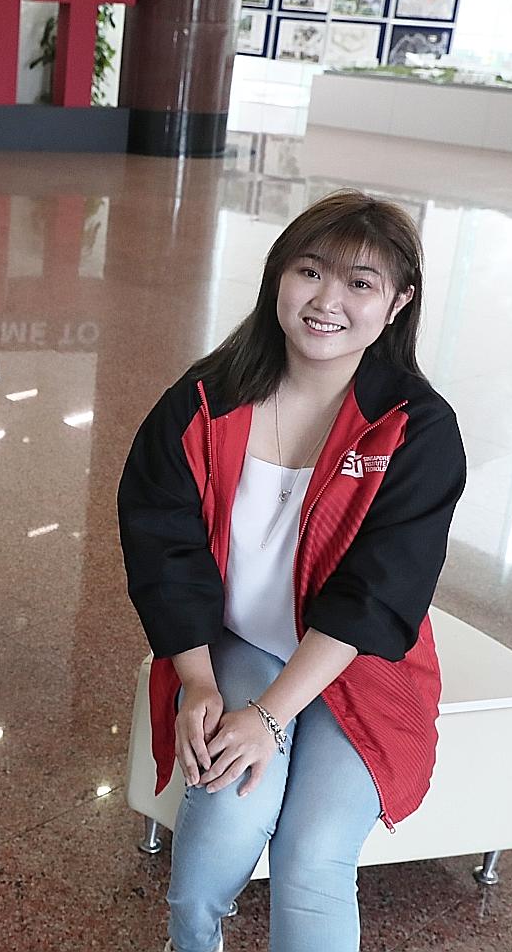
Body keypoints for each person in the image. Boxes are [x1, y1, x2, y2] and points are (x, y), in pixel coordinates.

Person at [117, 191, 465, 952]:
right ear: (279, 276)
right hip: (235, 647)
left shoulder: (416, 428)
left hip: (359, 667)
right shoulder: (204, 401)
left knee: (312, 857)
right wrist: (201, 685)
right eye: (310, 272)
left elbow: (376, 594)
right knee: (224, 814)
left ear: (399, 302)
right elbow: (161, 547)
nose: (327, 301)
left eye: (361, 284)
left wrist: (272, 717)